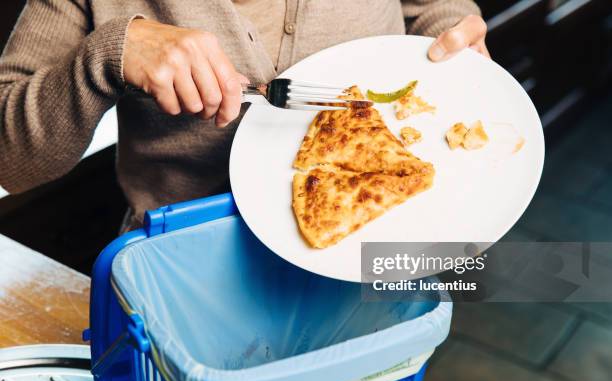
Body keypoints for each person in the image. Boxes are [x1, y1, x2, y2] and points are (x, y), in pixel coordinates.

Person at [0, 0, 489, 232]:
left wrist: (452, 34)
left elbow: (437, 9)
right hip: (185, 270)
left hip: (383, 247)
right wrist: (107, 56)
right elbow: (9, 159)